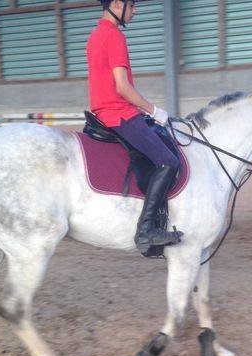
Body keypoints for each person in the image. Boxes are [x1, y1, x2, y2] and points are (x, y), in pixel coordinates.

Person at [87, 0, 183, 253]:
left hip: (106, 111)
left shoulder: (95, 35)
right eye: (132, 5)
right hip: (118, 114)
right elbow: (122, 87)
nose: (135, 10)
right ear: (117, 4)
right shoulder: (114, 36)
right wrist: (154, 110)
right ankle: (146, 229)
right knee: (169, 161)